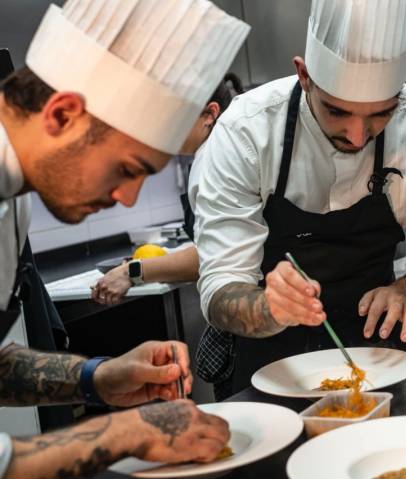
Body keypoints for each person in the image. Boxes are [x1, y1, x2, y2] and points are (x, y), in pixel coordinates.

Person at [0, 1, 249, 477]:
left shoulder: (16, 199)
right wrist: (125, 434)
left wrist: (100, 377)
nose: (128, 199)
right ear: (63, 114)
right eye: (126, 169)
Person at [190, 0, 406, 398]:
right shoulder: (246, 132)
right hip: (270, 366)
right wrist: (269, 308)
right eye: (338, 112)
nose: (358, 137)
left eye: (381, 114)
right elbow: (221, 286)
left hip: (378, 359)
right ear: (304, 75)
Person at [91, 74, 242, 306]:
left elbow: (216, 254)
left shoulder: (218, 162)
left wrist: (131, 271)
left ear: (209, 114)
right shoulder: (213, 155)